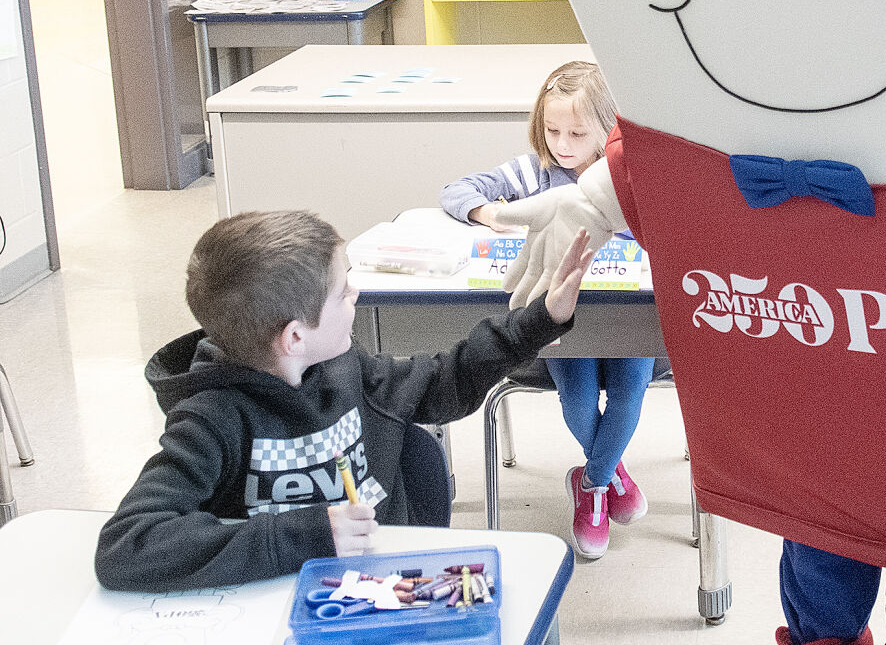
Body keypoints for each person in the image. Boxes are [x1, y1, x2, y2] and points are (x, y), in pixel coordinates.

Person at [93, 210, 591, 592]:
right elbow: (126, 546)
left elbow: (447, 379)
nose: (355, 293)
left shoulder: (350, 370)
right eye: (341, 291)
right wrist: (307, 537)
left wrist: (540, 318)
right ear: (293, 337)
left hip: (388, 589)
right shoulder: (210, 418)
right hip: (274, 607)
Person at [443, 63, 650, 560]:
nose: (563, 142)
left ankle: (592, 484)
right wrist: (491, 213)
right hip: (560, 323)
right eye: (553, 130)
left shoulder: (629, 173)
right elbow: (457, 190)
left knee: (628, 392)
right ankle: (609, 477)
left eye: (578, 133)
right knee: (578, 404)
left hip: (630, 319)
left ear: (608, 129)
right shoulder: (533, 173)